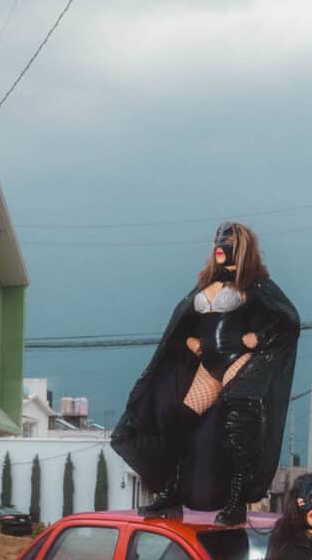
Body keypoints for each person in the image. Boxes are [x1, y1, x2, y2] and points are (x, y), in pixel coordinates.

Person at [111, 222, 299, 525]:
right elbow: (183, 323)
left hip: (240, 360)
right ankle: (171, 495)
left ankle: (236, 502)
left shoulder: (256, 284)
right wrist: (189, 341)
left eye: (230, 240)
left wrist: (259, 339)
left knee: (237, 423)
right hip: (209, 364)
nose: (222, 244)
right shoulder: (204, 284)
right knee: (178, 420)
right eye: (219, 240)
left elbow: (287, 318)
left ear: (244, 246)